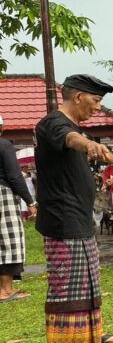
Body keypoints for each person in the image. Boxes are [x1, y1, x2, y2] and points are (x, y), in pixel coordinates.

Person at [34, 74, 113, 343]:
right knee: (66, 280)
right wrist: (86, 144)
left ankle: (91, 334)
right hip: (62, 217)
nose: (98, 108)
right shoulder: (53, 123)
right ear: (77, 97)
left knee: (87, 278)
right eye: (96, 101)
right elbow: (71, 139)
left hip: (77, 215)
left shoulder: (72, 126)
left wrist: (105, 156)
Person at [0, 115, 37, 302]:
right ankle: (5, 290)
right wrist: (30, 202)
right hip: (2, 195)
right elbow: (14, 176)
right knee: (10, 240)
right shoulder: (4, 145)